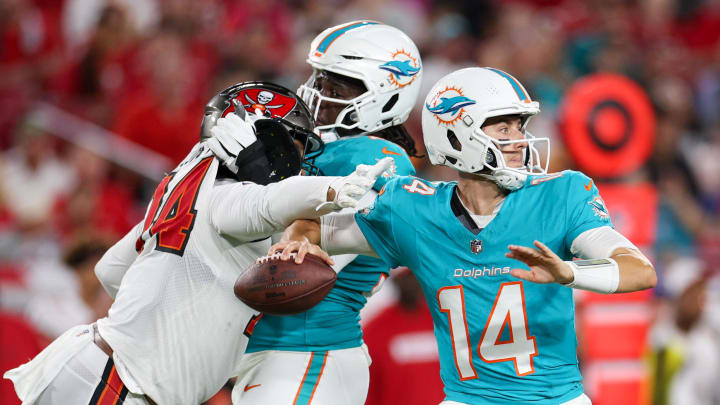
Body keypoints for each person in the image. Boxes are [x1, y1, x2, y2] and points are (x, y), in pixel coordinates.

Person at [272, 67, 657, 405]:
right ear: (457, 137)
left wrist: (570, 273)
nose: (520, 140)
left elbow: (640, 271)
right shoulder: (413, 210)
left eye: (520, 127)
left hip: (556, 400)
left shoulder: (561, 194)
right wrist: (304, 236)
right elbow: (322, 226)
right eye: (504, 127)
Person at [3, 82, 392, 405]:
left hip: (100, 367)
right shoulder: (227, 196)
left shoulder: (184, 179)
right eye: (293, 142)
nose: (300, 158)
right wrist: (338, 188)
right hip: (121, 386)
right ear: (256, 134)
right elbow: (270, 202)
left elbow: (110, 269)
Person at [233, 21, 422, 405]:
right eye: (318, 81)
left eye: (335, 89)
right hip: (276, 352)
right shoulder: (319, 150)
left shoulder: (380, 160)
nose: (316, 96)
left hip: (307, 349)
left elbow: (293, 267)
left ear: (385, 98)